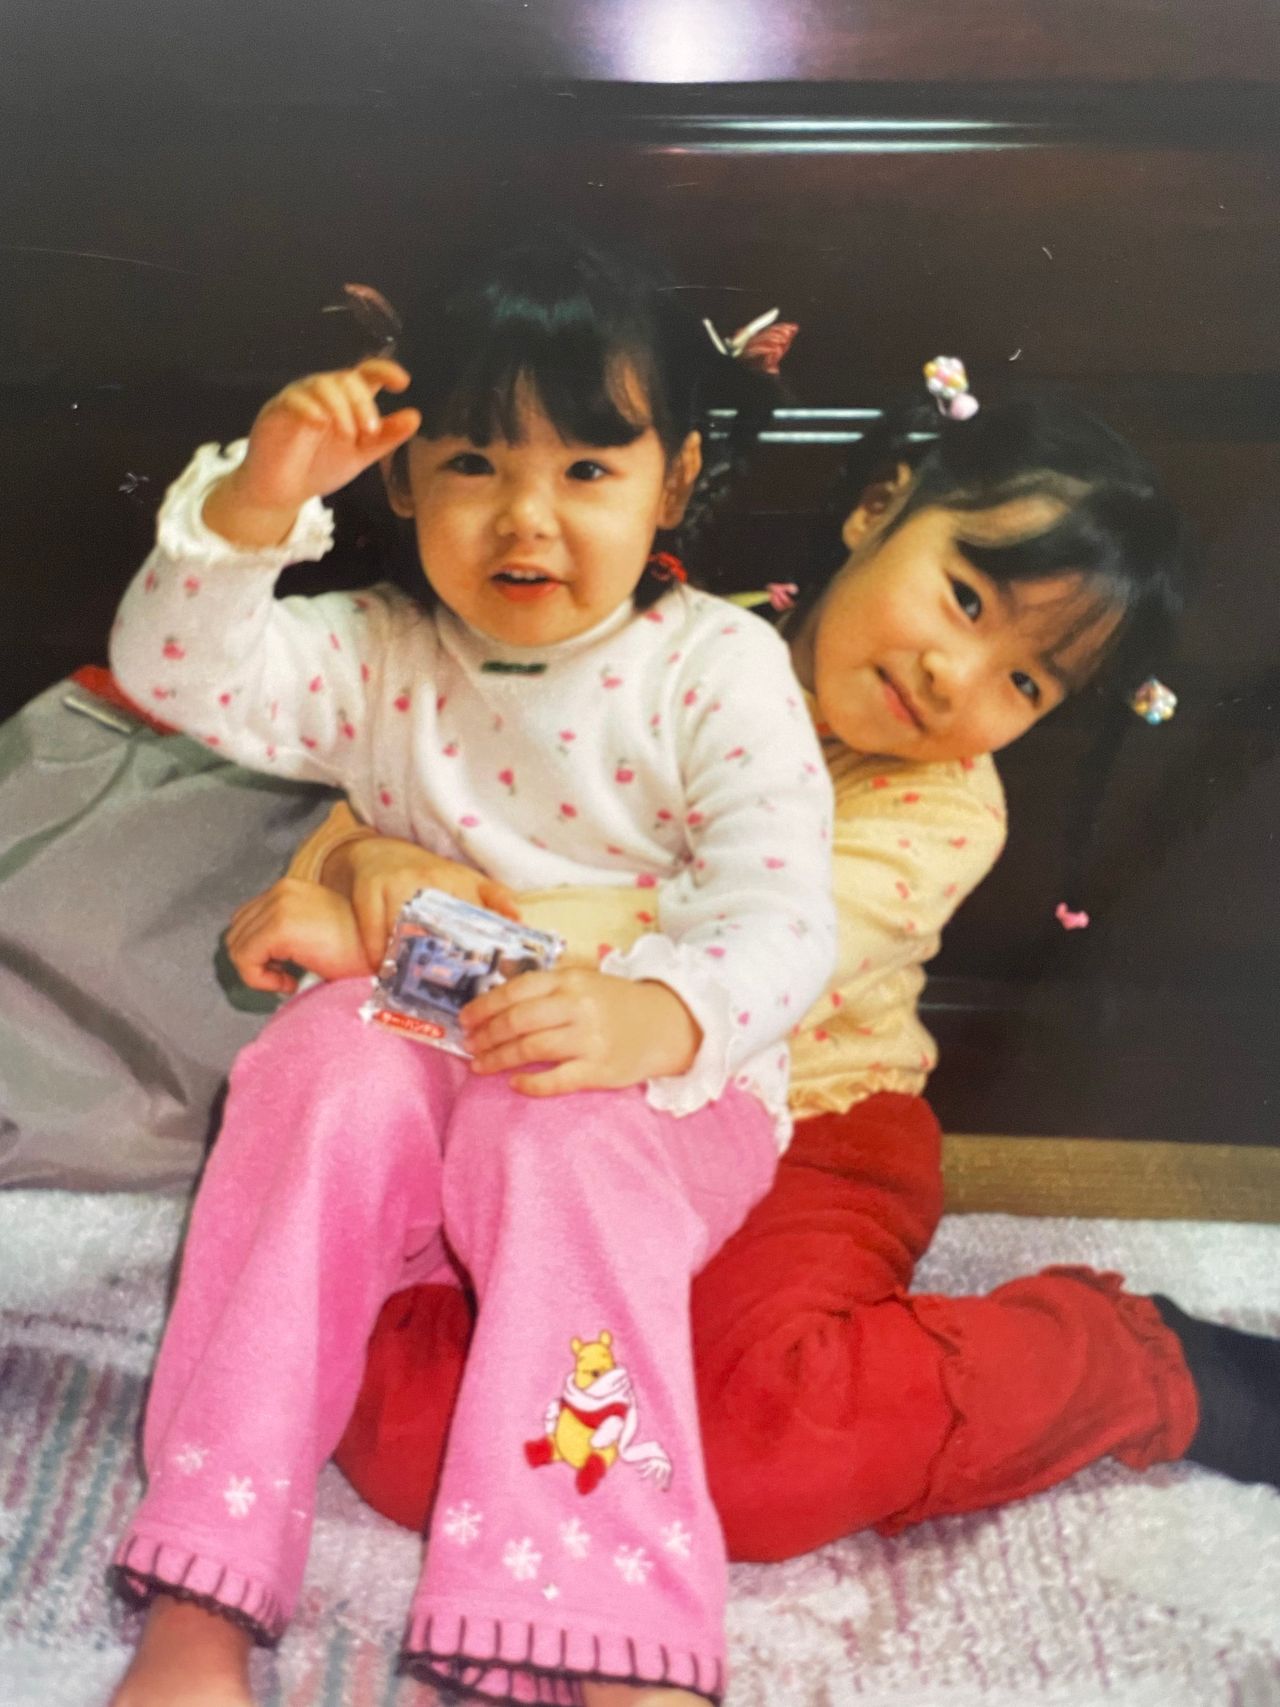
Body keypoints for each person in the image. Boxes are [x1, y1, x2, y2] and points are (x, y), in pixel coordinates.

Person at [229, 365, 1280, 1577]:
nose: (956, 675)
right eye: (962, 598)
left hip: (805, 1126)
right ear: (878, 505)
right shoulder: (656, 643)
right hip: (541, 1098)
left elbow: (707, 943)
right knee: (410, 1436)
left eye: (1025, 683)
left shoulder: (943, 813)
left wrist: (405, 933)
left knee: (757, 1455)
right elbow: (423, 774)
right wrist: (364, 854)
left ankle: (1121, 1357)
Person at [104, 233, 839, 1707]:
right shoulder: (377, 651)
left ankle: (603, 1627)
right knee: (313, 1069)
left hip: (643, 1083)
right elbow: (174, 674)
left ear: (675, 481)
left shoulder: (715, 667)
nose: (525, 517)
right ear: (401, 479)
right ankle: (200, 1583)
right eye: (472, 464)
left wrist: (658, 1011)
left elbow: (784, 920)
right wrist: (260, 497)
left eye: (589, 468)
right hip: (417, 1034)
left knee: (548, 1135)